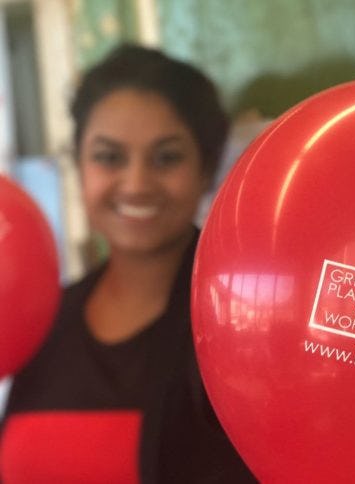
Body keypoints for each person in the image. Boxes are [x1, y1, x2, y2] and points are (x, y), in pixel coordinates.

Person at [0, 44, 255, 483]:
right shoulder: (43, 322)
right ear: (79, 165)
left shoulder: (241, 330)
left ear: (206, 170)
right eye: (109, 157)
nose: (136, 184)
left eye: (166, 158)